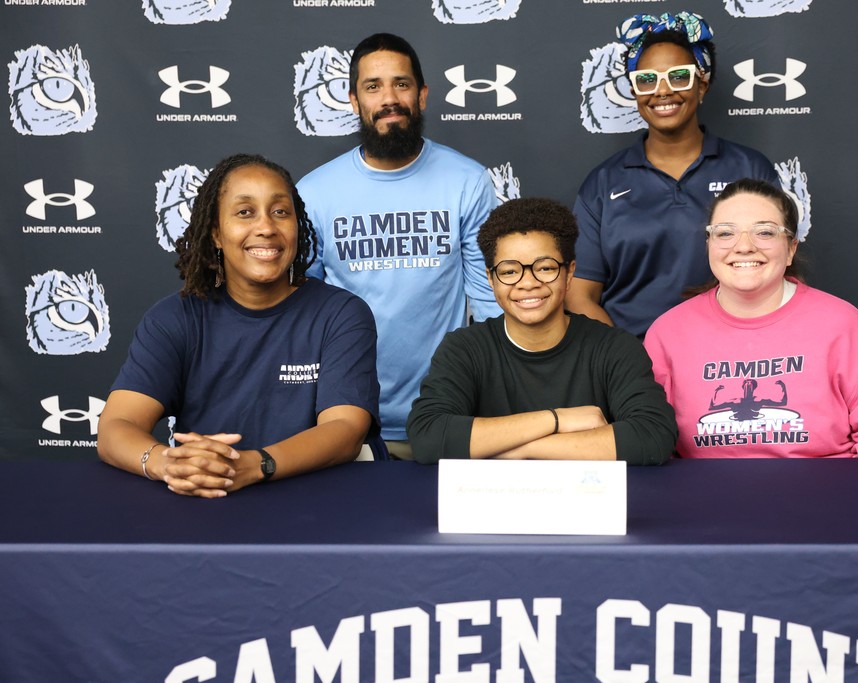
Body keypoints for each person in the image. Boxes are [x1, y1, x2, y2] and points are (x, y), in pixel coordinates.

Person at [97, 153, 383, 498]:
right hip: (211, 500)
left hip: (321, 500)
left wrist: (258, 464)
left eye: (280, 212)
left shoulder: (341, 314)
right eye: (245, 212)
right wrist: (167, 463)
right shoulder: (174, 319)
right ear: (216, 233)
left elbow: (345, 429)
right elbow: (116, 426)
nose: (266, 227)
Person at [298, 33, 501, 460]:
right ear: (354, 100)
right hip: (346, 421)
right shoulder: (315, 193)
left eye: (401, 84)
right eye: (373, 87)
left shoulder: (467, 181)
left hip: (447, 416)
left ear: (422, 95)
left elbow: (491, 303)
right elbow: (300, 312)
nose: (389, 98)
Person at [643, 178, 858, 458]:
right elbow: (647, 439)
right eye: (725, 233)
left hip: (826, 499)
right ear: (709, 245)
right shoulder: (668, 333)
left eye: (764, 232)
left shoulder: (842, 325)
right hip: (706, 500)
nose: (743, 247)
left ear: (790, 248)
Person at [407, 198, 677, 465]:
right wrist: (557, 419)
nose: (528, 283)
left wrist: (520, 450)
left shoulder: (613, 347)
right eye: (509, 271)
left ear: (569, 273)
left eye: (545, 268)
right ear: (491, 280)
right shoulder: (465, 349)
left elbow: (652, 436)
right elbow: (428, 437)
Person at [569, 11, 780, 337]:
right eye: (647, 80)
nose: (662, 91)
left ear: (702, 85)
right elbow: (580, 294)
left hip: (734, 360)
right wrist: (627, 364)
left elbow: (776, 274)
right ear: (634, 91)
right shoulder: (603, 183)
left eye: (679, 76)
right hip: (633, 368)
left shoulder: (749, 169)